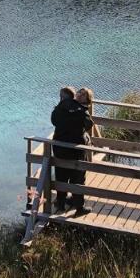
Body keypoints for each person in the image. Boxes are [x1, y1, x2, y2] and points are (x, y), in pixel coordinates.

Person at [50, 85, 94, 215]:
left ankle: (61, 203)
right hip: (75, 150)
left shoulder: (62, 106)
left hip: (60, 148)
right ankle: (79, 207)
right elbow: (89, 124)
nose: (80, 94)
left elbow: (54, 120)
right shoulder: (81, 110)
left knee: (61, 175)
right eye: (79, 92)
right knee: (78, 178)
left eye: (83, 94)